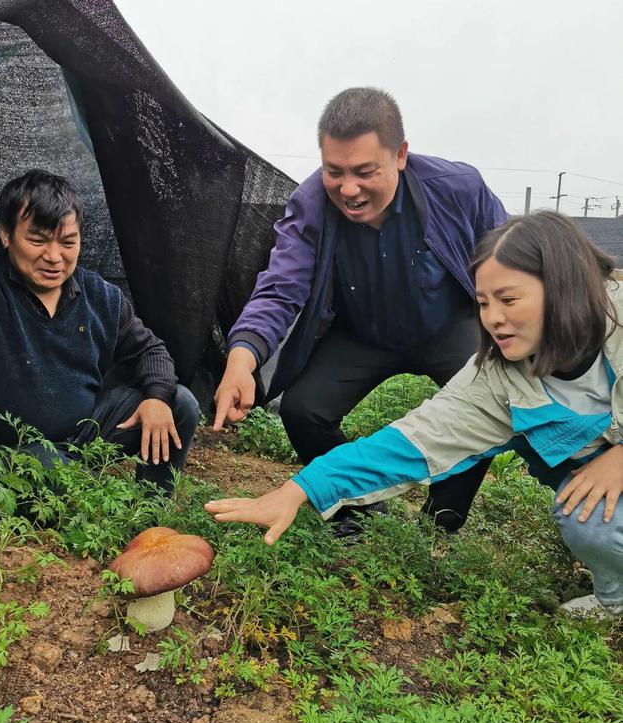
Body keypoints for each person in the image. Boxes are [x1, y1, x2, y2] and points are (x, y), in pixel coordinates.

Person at [206, 211, 623, 616]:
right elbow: (406, 444)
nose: (494, 319)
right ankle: (615, 598)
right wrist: (300, 489)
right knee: (588, 517)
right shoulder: (496, 380)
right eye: (482, 303)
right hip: (594, 485)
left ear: (565, 288)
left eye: (509, 299)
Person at [214, 87, 507, 534]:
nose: (348, 189)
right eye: (335, 171)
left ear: (400, 155)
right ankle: (355, 513)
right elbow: (280, 287)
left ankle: (440, 523)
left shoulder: (457, 188)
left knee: (479, 406)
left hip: (448, 325)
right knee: (303, 410)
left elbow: (511, 256)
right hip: (362, 333)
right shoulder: (311, 204)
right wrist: (242, 356)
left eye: (364, 171)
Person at [0, 169, 199, 495]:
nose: (54, 257)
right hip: (6, 451)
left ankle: (151, 518)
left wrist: (157, 399)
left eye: (67, 242)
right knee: (47, 471)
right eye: (37, 240)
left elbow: (150, 350)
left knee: (179, 404)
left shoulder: (101, 296)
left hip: (85, 435)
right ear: (6, 235)